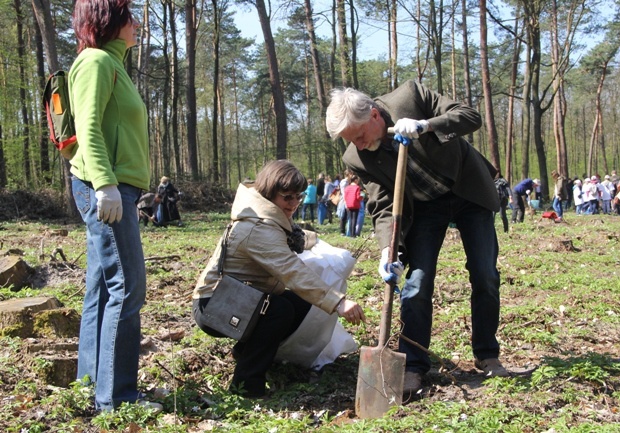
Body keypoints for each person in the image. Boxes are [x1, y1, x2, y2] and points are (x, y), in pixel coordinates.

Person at [326, 81, 508, 395]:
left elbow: (469, 116)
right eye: (349, 140)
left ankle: (487, 355)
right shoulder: (356, 157)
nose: (356, 144)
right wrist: (387, 250)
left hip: (467, 191)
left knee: (485, 274)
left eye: (358, 135)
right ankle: (413, 365)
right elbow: (383, 203)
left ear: (374, 115)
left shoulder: (410, 98)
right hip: (424, 208)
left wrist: (426, 126)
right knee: (417, 283)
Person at [192, 160, 366, 397]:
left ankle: (247, 351)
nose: (294, 204)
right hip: (215, 306)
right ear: (269, 193)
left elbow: (292, 237)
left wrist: (320, 243)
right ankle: (246, 386)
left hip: (234, 297)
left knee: (299, 304)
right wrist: (337, 302)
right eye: (287, 197)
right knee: (279, 310)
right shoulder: (257, 228)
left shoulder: (268, 216)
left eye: (298, 197)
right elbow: (291, 269)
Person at [68, 0, 160, 412]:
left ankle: (90, 385)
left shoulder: (114, 64)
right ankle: (117, 399)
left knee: (104, 288)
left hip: (117, 187)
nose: (137, 24)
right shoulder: (96, 62)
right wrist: (104, 184)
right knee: (128, 287)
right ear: (109, 20)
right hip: (105, 187)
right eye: (130, 17)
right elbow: (86, 124)